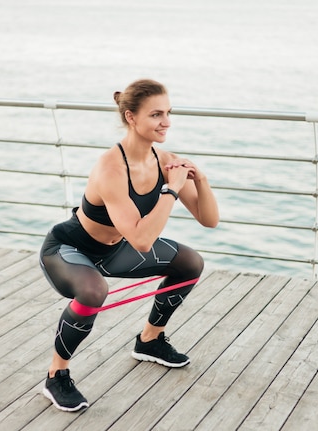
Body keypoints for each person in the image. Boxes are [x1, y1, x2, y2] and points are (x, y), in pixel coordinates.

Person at [39, 78, 219, 412]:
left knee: (190, 263)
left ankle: (150, 340)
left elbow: (209, 220)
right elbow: (141, 239)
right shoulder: (111, 167)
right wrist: (171, 190)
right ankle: (56, 374)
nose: (166, 122)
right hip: (70, 249)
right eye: (156, 115)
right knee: (94, 292)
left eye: (168, 113)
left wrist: (201, 180)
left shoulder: (166, 160)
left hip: (114, 250)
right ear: (131, 118)